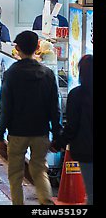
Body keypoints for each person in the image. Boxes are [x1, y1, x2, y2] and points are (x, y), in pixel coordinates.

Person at [0, 30, 63, 205]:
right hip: (41, 132)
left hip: (17, 132)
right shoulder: (47, 74)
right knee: (40, 170)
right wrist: (56, 134)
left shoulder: (11, 73)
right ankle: (46, 203)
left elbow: (6, 107)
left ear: (17, 48)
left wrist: (0, 134)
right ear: (37, 47)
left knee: (15, 174)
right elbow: (54, 108)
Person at [53, 54, 92, 205]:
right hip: (86, 149)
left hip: (85, 150)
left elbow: (71, 126)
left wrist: (59, 143)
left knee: (91, 190)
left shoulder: (76, 95)